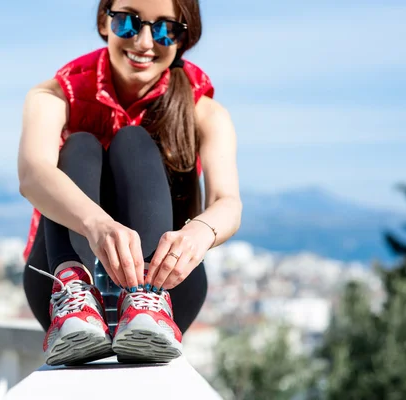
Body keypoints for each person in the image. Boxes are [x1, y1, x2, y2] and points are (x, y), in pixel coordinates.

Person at [18, 0, 242, 366]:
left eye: (165, 28)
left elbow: (228, 202)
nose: (143, 41)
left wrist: (199, 232)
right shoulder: (55, 95)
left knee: (133, 142)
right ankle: (74, 286)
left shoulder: (205, 110)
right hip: (59, 289)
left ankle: (146, 298)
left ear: (185, 37)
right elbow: (33, 175)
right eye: (127, 22)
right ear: (104, 21)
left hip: (167, 286)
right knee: (80, 145)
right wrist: (98, 225)